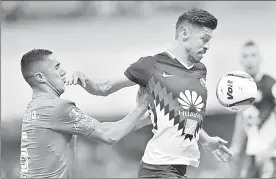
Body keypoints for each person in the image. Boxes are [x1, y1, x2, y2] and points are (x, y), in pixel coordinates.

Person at [69, 8, 232, 178]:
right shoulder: (152, 65)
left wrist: (206, 140)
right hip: (158, 169)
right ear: (184, 34)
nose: (208, 46)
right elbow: (106, 87)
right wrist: (85, 80)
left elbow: (186, 116)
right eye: (204, 39)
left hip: (178, 170)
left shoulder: (200, 71)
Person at [19, 49, 150, 178]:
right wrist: (142, 107)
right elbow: (109, 135)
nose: (64, 72)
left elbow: (113, 131)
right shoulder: (56, 107)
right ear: (40, 77)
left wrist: (148, 118)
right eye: (57, 68)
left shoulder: (34, 108)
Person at [230, 40, 276, 178]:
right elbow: (241, 118)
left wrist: (270, 150)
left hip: (271, 155)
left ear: (260, 58)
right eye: (245, 56)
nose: (250, 60)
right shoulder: (239, 88)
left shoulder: (270, 85)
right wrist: (235, 148)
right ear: (240, 60)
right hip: (252, 153)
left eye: (253, 55)